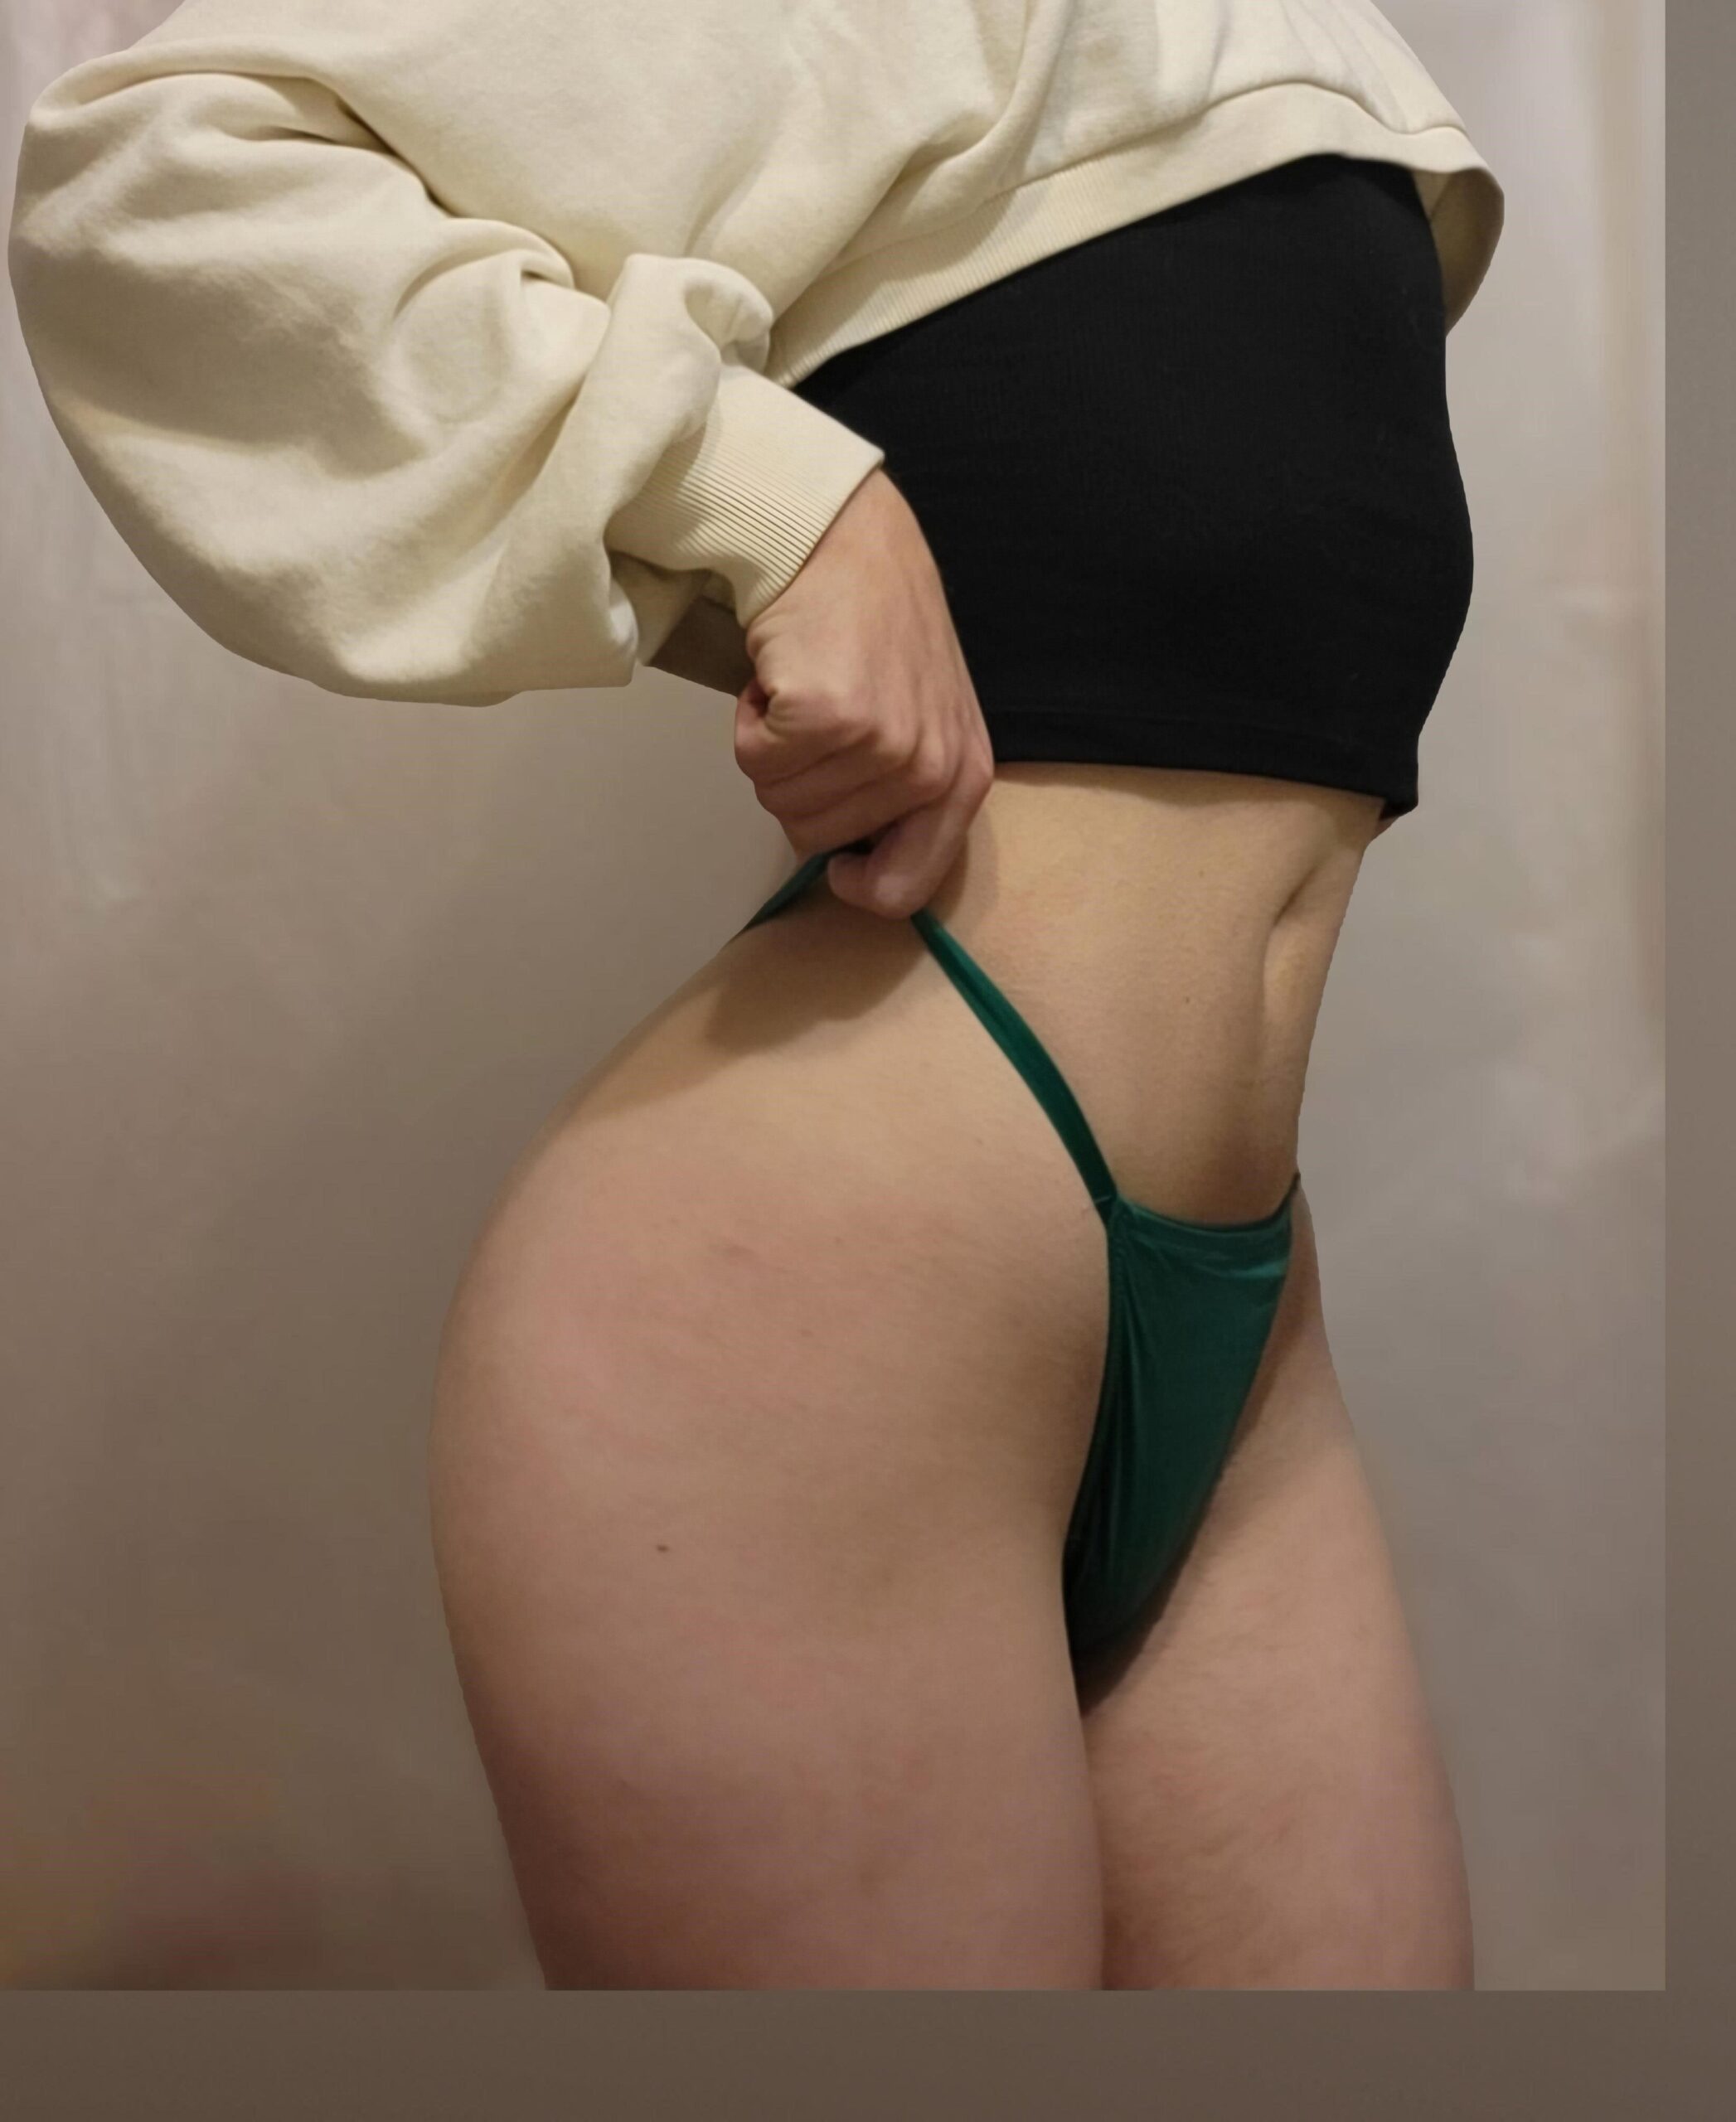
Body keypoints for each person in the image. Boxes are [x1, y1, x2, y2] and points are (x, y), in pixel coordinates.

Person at [11, 2, 1504, 1988]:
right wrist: (770, 488)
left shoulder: (1279, 56)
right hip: (804, 1313)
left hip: (1238, 1325)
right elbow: (144, 182)